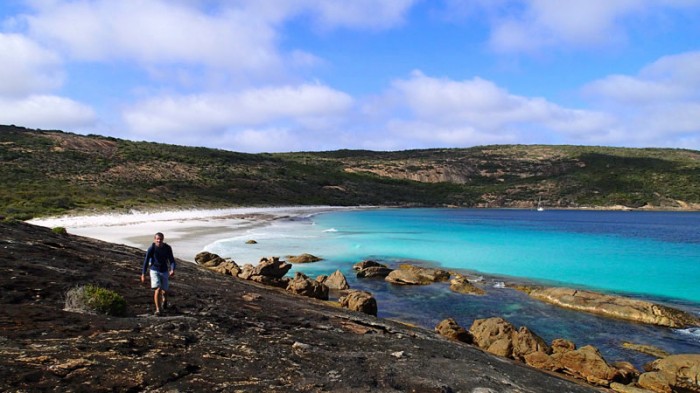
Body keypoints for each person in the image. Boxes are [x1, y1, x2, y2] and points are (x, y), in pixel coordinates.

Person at [141, 232, 176, 315]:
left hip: (164, 270)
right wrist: (143, 274)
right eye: (157, 239)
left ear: (163, 239)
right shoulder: (151, 248)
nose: (159, 241)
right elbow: (146, 261)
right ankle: (158, 309)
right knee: (158, 289)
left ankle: (165, 300)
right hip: (154, 270)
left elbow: (171, 260)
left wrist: (172, 269)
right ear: (155, 239)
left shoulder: (167, 248)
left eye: (160, 239)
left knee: (165, 290)